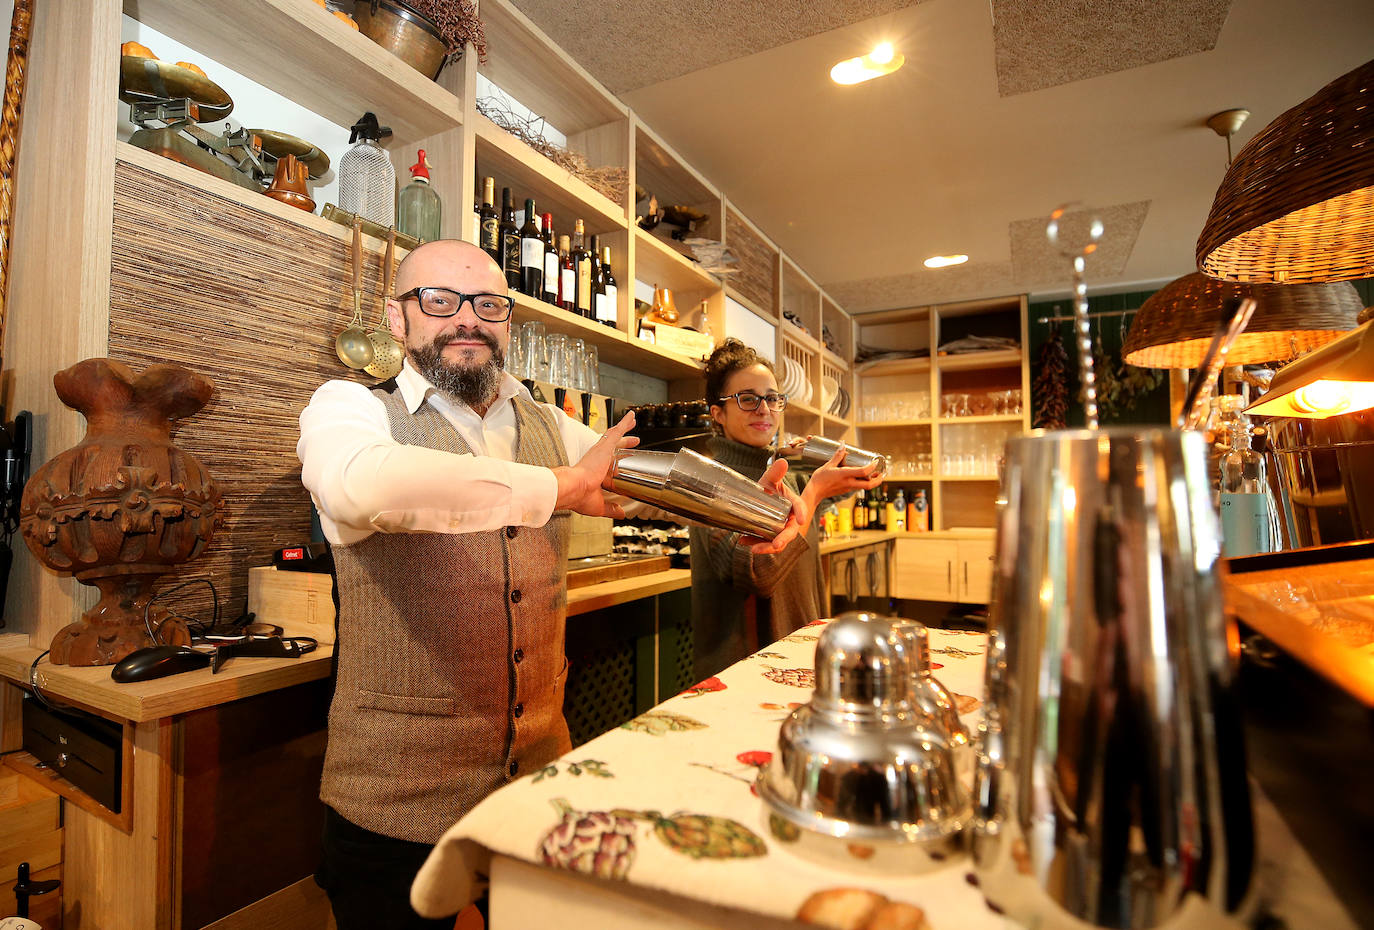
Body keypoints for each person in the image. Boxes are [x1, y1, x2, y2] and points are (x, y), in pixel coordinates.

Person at [296, 240, 808, 930]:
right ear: (397, 319)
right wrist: (564, 487)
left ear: (508, 320)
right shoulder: (349, 409)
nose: (467, 320)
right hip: (396, 798)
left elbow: (644, 487)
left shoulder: (541, 418)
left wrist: (760, 506)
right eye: (440, 302)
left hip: (538, 778)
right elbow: (358, 486)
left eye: (489, 305)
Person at [689, 338, 882, 681]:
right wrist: (815, 491)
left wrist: (814, 454)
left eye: (772, 398)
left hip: (800, 653)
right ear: (718, 413)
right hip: (742, 672)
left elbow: (874, 471)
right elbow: (758, 573)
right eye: (747, 399)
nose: (764, 409)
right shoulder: (707, 482)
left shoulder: (787, 473)